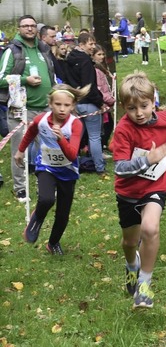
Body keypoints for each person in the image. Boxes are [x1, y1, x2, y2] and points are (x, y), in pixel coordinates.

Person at [111, 72, 166, 308]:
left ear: (153, 100)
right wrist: (148, 159)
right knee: (129, 242)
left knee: (150, 227)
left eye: (144, 106)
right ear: (123, 107)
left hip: (155, 186)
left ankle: (144, 286)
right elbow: (120, 168)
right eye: (131, 108)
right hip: (128, 191)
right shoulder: (124, 129)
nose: (139, 113)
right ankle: (131, 266)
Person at [17, 84, 89, 254]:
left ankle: (53, 243)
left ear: (72, 106)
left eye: (66, 105)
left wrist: (61, 139)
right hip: (46, 166)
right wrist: (20, 151)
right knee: (46, 199)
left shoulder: (75, 124)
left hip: (68, 171)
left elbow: (72, 155)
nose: (62, 109)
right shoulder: (41, 119)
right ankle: (37, 219)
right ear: (50, 103)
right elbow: (30, 133)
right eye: (58, 104)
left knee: (63, 213)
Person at [0, 15, 56, 202]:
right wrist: (25, 80)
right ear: (19, 28)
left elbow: (51, 75)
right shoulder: (12, 51)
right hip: (21, 110)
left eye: (33, 26)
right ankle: (21, 188)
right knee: (20, 150)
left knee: (47, 149)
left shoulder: (43, 49)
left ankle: (46, 185)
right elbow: (1, 79)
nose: (30, 29)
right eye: (26, 26)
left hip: (45, 109)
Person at [65, 32, 106, 175]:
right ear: (81, 45)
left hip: (75, 104)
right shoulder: (86, 61)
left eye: (94, 44)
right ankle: (100, 167)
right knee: (94, 136)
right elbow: (89, 86)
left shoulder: (68, 59)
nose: (93, 47)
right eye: (91, 44)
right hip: (88, 103)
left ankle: (71, 166)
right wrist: (100, 102)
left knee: (76, 136)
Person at [92, 45, 116, 153]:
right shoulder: (95, 70)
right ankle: (100, 149)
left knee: (107, 125)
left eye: (103, 54)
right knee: (105, 126)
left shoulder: (100, 68)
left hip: (105, 101)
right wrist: (109, 99)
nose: (102, 57)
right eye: (99, 54)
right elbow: (99, 88)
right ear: (93, 56)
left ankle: (103, 146)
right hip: (102, 102)